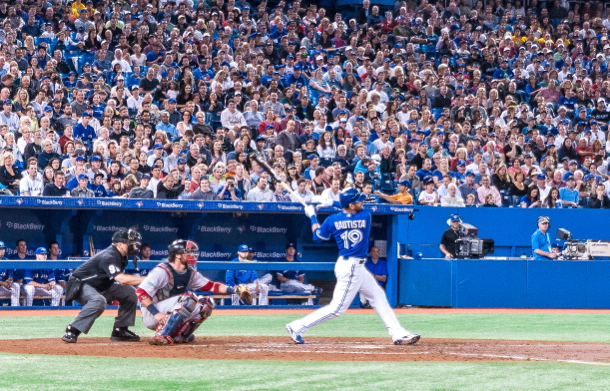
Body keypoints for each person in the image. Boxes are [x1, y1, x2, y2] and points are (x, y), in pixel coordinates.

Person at [286, 188, 420, 345]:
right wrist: (332, 203)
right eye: (358, 200)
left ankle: (397, 333)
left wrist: (312, 216)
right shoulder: (365, 217)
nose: (361, 202)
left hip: (353, 266)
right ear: (350, 205)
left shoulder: (332, 220)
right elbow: (347, 211)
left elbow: (317, 236)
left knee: (378, 296)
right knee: (337, 309)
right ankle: (298, 326)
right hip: (351, 268)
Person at [137, 239, 246, 345]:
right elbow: (140, 292)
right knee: (188, 298)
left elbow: (212, 286)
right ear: (178, 255)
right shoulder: (162, 271)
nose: (192, 255)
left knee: (206, 304)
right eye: (188, 252)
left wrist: (235, 290)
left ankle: (181, 335)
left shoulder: (190, 272)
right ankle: (162, 334)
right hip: (152, 313)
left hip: (169, 312)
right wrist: (156, 313)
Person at [62, 229, 145, 343]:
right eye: (131, 243)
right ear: (120, 244)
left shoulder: (122, 256)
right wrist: (147, 279)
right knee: (98, 301)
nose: (135, 246)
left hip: (101, 285)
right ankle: (73, 329)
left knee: (129, 292)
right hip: (79, 285)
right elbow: (121, 279)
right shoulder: (109, 255)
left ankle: (120, 330)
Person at [0, 241, 20, 306]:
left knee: (16, 286)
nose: (2, 251)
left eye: (3, 249)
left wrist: (8, 281)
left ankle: (15, 309)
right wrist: (3, 283)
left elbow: (11, 275)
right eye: (0, 249)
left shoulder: (7, 261)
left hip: (3, 287)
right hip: (2, 284)